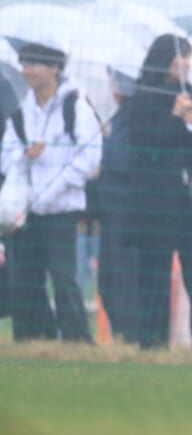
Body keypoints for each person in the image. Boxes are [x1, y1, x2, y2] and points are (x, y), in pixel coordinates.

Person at [125, 34, 192, 351]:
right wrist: (174, 118)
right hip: (154, 204)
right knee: (154, 276)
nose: (186, 64)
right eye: (181, 57)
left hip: (191, 204)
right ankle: (152, 342)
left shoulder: (191, 96)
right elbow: (143, 148)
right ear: (165, 60)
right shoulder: (143, 98)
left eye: (188, 58)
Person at [0, 41, 101, 342]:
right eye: (24, 64)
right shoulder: (22, 113)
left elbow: (89, 160)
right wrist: (25, 155)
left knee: (63, 277)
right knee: (25, 279)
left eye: (33, 64)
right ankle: (31, 339)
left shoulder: (76, 108)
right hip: (26, 213)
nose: (27, 71)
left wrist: (56, 184)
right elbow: (6, 157)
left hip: (61, 211)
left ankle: (77, 340)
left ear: (54, 69)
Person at [93, 74, 141, 342]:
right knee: (108, 281)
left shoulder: (136, 117)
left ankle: (129, 337)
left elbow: (123, 158)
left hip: (126, 213)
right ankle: (122, 336)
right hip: (110, 211)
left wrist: (102, 147)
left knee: (122, 280)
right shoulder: (118, 116)